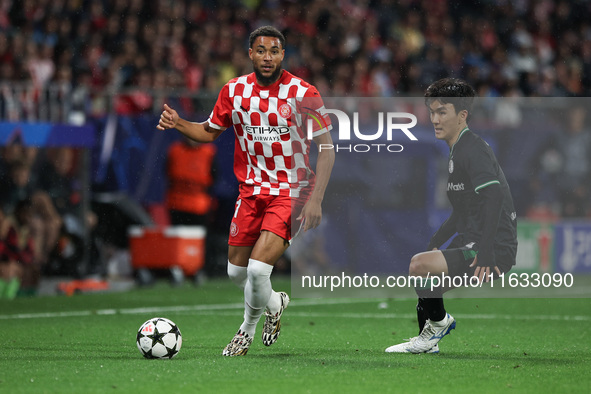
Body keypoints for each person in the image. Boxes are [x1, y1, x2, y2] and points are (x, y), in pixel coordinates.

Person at [157, 26, 334, 356]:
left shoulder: (304, 92)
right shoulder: (234, 91)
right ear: (250, 54)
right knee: (237, 272)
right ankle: (275, 303)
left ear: (284, 55)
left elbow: (327, 148)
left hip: (292, 191)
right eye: (261, 50)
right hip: (251, 191)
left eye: (275, 51)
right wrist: (179, 122)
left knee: (256, 270)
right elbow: (209, 132)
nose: (268, 57)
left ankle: (245, 332)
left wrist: (317, 198)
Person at [385, 78, 517, 354]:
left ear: (462, 116)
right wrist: (438, 238)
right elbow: (463, 211)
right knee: (426, 278)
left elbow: (493, 197)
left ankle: (440, 323)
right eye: (432, 112)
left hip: (490, 247)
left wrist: (487, 250)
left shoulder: (473, 149)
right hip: (476, 241)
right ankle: (427, 341)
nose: (434, 118)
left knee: (419, 266)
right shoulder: (459, 151)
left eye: (442, 111)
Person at [165, 136, 217, 227]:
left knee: (197, 237)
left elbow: (214, 176)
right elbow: (167, 172)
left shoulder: (208, 152)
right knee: (178, 237)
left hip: (199, 205)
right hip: (177, 204)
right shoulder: (175, 150)